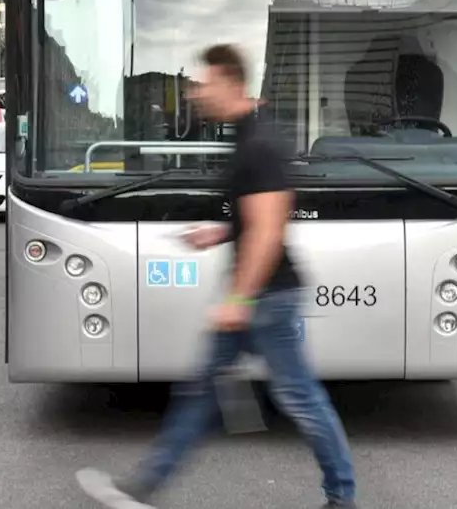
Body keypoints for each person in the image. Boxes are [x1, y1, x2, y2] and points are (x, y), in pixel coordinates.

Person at [76, 44, 358, 509]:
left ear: (232, 83)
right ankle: (145, 488)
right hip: (256, 296)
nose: (197, 93)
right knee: (204, 390)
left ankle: (342, 496)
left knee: (301, 398)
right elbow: (255, 221)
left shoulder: (260, 144)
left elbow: (269, 231)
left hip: (266, 300)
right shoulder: (248, 137)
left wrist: (239, 301)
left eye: (205, 84)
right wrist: (222, 232)